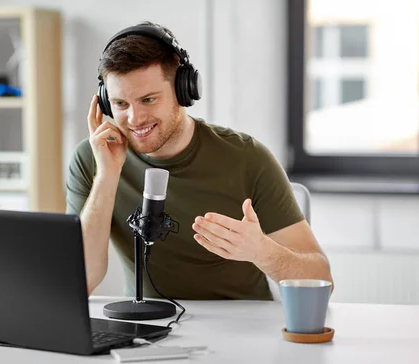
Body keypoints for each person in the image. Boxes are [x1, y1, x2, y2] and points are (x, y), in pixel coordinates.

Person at [66, 22, 333, 300]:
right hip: (147, 330)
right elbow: (81, 281)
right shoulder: (93, 159)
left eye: (148, 99)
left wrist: (262, 251)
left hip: (242, 329)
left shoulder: (246, 158)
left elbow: (322, 279)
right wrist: (107, 175)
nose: (135, 119)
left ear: (184, 90)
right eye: (121, 104)